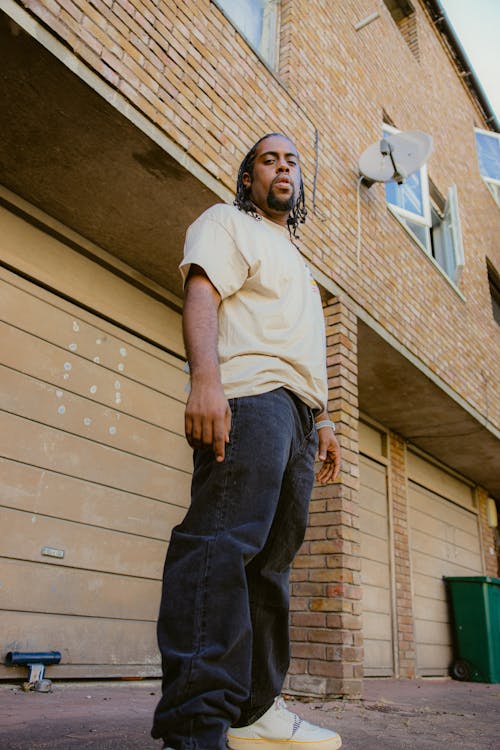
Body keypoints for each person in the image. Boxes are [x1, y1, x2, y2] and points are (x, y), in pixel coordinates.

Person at [151, 133, 342, 750]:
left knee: (271, 568)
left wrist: (326, 419)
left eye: (291, 160)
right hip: (249, 397)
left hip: (300, 417)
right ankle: (197, 721)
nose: (282, 166)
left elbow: (300, 343)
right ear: (249, 176)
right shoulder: (228, 222)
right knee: (219, 547)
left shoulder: (298, 260)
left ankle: (255, 712)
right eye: (269, 159)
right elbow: (202, 292)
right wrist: (205, 379)